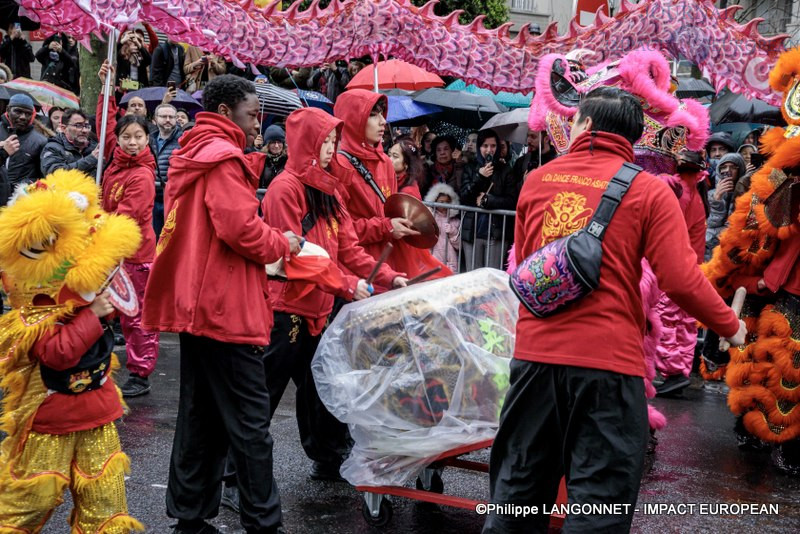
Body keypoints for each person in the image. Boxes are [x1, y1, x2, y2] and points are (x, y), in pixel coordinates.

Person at [483, 87, 746, 533]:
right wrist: (730, 325)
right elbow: (681, 279)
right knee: (597, 505)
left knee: (516, 497)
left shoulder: (537, 180)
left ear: (583, 124)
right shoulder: (649, 191)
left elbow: (526, 267)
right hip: (608, 367)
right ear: (634, 136)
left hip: (534, 361)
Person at [142, 74, 301, 534]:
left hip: (199, 305)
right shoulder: (224, 158)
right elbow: (241, 230)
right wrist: (282, 241)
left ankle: (189, 511)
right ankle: (263, 520)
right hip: (224, 308)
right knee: (251, 423)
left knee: (200, 414)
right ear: (228, 110)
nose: (258, 125)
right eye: (253, 115)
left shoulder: (193, 151)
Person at [223, 107, 404, 502]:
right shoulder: (285, 188)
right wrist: (346, 284)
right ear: (306, 142)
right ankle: (233, 479)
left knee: (320, 389)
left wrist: (388, 277)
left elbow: (349, 247)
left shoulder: (330, 189)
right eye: (325, 141)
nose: (330, 149)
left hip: (318, 310)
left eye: (334, 142)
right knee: (262, 396)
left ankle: (326, 457)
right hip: (285, 308)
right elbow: (298, 255)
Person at [0, 170, 145, 533]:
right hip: (51, 421)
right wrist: (93, 315)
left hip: (98, 415)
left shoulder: (88, 292)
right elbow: (56, 354)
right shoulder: (33, 305)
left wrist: (97, 308)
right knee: (29, 502)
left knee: (105, 505)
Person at [333, 90, 424, 292]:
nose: (383, 121)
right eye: (373, 114)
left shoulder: (385, 162)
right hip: (355, 277)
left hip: (387, 269)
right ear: (353, 118)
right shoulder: (339, 165)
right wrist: (385, 227)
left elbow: (387, 215)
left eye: (382, 113)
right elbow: (339, 233)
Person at [99, 114, 160, 397]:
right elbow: (106, 127)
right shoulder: (115, 162)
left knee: (137, 316)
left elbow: (127, 216)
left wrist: (94, 224)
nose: (132, 142)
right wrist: (106, 91)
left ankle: (141, 372)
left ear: (148, 139)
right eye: (127, 137)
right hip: (111, 250)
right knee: (112, 312)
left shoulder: (142, 175)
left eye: (138, 136)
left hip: (136, 255)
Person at [460, 128, 516, 270]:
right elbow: (464, 197)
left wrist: (489, 200)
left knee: (492, 276)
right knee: (472, 277)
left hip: (496, 232)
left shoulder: (505, 170)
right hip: (473, 230)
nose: (489, 150)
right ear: (479, 148)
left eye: (493, 146)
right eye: (485, 146)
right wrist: (480, 176)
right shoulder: (470, 168)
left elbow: (512, 200)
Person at [705, 152, 749, 261]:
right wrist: (717, 199)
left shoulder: (747, 193)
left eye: (733, 167)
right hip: (712, 241)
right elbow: (711, 223)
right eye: (723, 167)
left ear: (740, 170)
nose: (727, 171)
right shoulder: (711, 194)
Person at [0, 93, 47, 186]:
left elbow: (43, 176)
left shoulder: (40, 141)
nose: (23, 117)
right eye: (18, 112)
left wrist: (27, 185)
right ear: (8, 110)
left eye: (28, 113)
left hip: (22, 197)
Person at [150, 103, 183, 237]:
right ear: (156, 119)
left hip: (173, 198)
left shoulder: (183, 140)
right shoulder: (148, 139)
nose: (168, 119)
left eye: (171, 116)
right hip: (151, 198)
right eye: (164, 116)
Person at [40, 108, 99, 176]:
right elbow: (54, 173)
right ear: (64, 128)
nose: (84, 130)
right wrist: (90, 160)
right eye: (78, 125)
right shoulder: (53, 147)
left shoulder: (95, 148)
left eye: (86, 126)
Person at [424, 182, 461, 273]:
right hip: (432, 257)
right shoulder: (430, 216)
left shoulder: (454, 221)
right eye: (441, 202)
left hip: (449, 260)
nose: (444, 205)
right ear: (434, 201)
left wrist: (453, 231)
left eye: (447, 202)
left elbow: (459, 246)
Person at [259, 124, 287, 190]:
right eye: (273, 142)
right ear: (267, 144)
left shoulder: (288, 160)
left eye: (279, 142)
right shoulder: (261, 159)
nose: (276, 146)